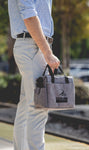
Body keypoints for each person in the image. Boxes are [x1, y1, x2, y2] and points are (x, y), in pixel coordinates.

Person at [8, 0, 60, 149]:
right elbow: (29, 15)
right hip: (33, 46)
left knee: (27, 104)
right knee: (39, 106)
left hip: (34, 44)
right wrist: (47, 53)